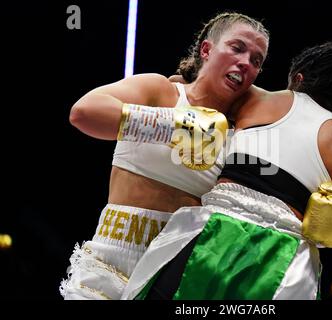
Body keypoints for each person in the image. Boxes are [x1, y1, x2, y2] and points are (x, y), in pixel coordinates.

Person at [121, 42, 332, 300]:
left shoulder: (254, 97)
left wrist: (182, 82)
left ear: (298, 78)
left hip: (204, 236)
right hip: (282, 267)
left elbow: (196, 90)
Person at [59, 12, 270, 300]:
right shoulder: (162, 92)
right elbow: (84, 112)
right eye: (237, 48)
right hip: (108, 266)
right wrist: (175, 124)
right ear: (206, 50)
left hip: (179, 281)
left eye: (257, 61)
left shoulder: (244, 136)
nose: (246, 62)